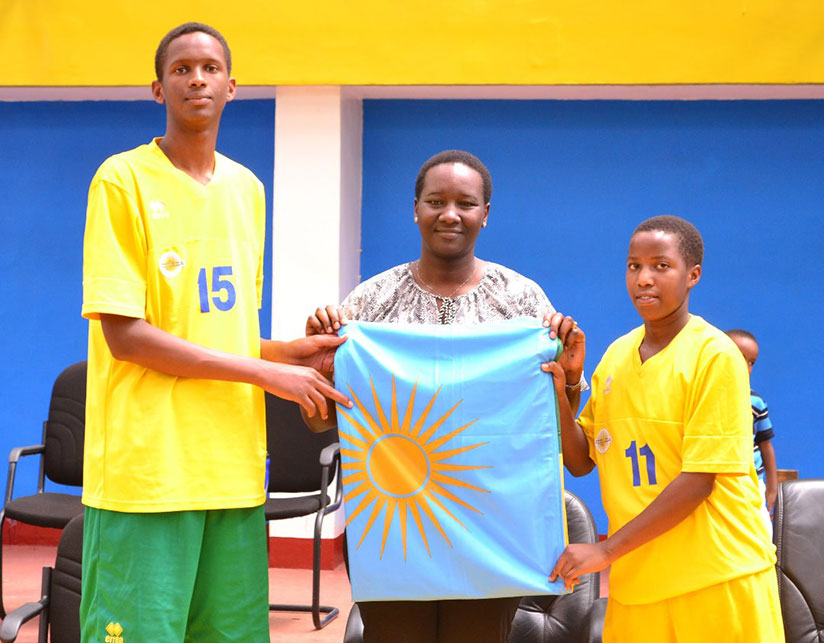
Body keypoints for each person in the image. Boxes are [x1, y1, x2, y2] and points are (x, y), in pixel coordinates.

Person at [80, 22, 350, 642]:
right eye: (181, 69)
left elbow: (218, 331)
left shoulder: (247, 190)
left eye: (210, 68)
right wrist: (267, 372)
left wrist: (289, 353)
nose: (197, 79)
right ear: (158, 89)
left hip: (232, 472)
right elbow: (127, 336)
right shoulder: (121, 180)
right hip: (148, 475)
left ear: (232, 86)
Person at [305, 149, 586, 643]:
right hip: (394, 526)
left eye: (466, 203)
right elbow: (320, 420)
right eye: (436, 201)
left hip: (491, 524)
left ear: (485, 213)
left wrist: (570, 376)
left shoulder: (523, 301)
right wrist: (317, 364)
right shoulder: (369, 303)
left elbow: (546, 424)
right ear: (415, 209)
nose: (450, 214)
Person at [547, 216, 783, 642]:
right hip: (638, 583)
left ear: (693, 275)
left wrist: (604, 549)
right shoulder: (617, 355)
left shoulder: (715, 355)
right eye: (634, 266)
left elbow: (698, 481)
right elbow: (581, 461)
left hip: (717, 577)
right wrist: (565, 385)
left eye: (661, 266)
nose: (644, 278)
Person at [727, 329, 778, 528]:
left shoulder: (755, 401)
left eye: (751, 362)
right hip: (719, 483)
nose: (746, 367)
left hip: (751, 481)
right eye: (739, 357)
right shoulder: (702, 397)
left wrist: (771, 488)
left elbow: (765, 444)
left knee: (761, 530)